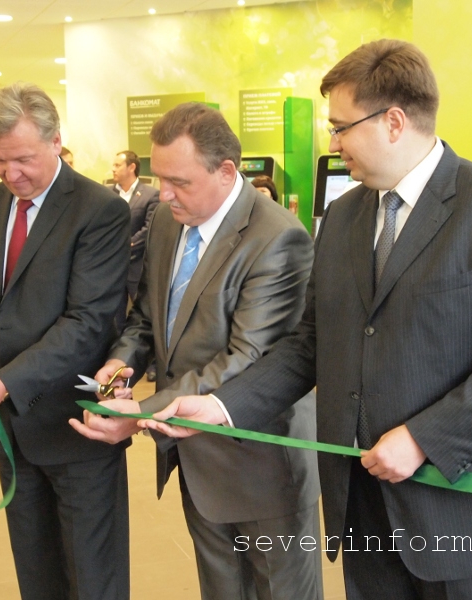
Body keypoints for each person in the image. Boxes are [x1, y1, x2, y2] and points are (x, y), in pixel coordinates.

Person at [137, 40, 472, 600]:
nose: (333, 143)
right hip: (366, 504)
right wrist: (221, 406)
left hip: (470, 510)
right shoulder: (344, 216)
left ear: (393, 122)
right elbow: (310, 343)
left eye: (341, 127)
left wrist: (423, 438)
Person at [71, 103, 324, 600]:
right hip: (195, 459)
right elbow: (147, 316)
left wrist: (141, 413)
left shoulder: (278, 238)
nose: (164, 194)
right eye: (159, 178)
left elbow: (246, 357)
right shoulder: (169, 223)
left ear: (226, 171)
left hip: (261, 466)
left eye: (178, 181)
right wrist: (122, 362)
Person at [0, 83, 131, 600]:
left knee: (92, 576)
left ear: (56, 140)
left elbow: (87, 322)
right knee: (35, 569)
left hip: (76, 425)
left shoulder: (99, 209)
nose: (11, 174)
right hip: (11, 431)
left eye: (23, 159)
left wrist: (2, 383)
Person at [107, 149, 159, 332]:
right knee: (114, 318)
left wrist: (126, 245)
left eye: (117, 165)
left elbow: (150, 227)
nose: (113, 169)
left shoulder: (151, 194)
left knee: (143, 315)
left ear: (131, 167)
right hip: (112, 267)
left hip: (137, 265)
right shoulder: (106, 194)